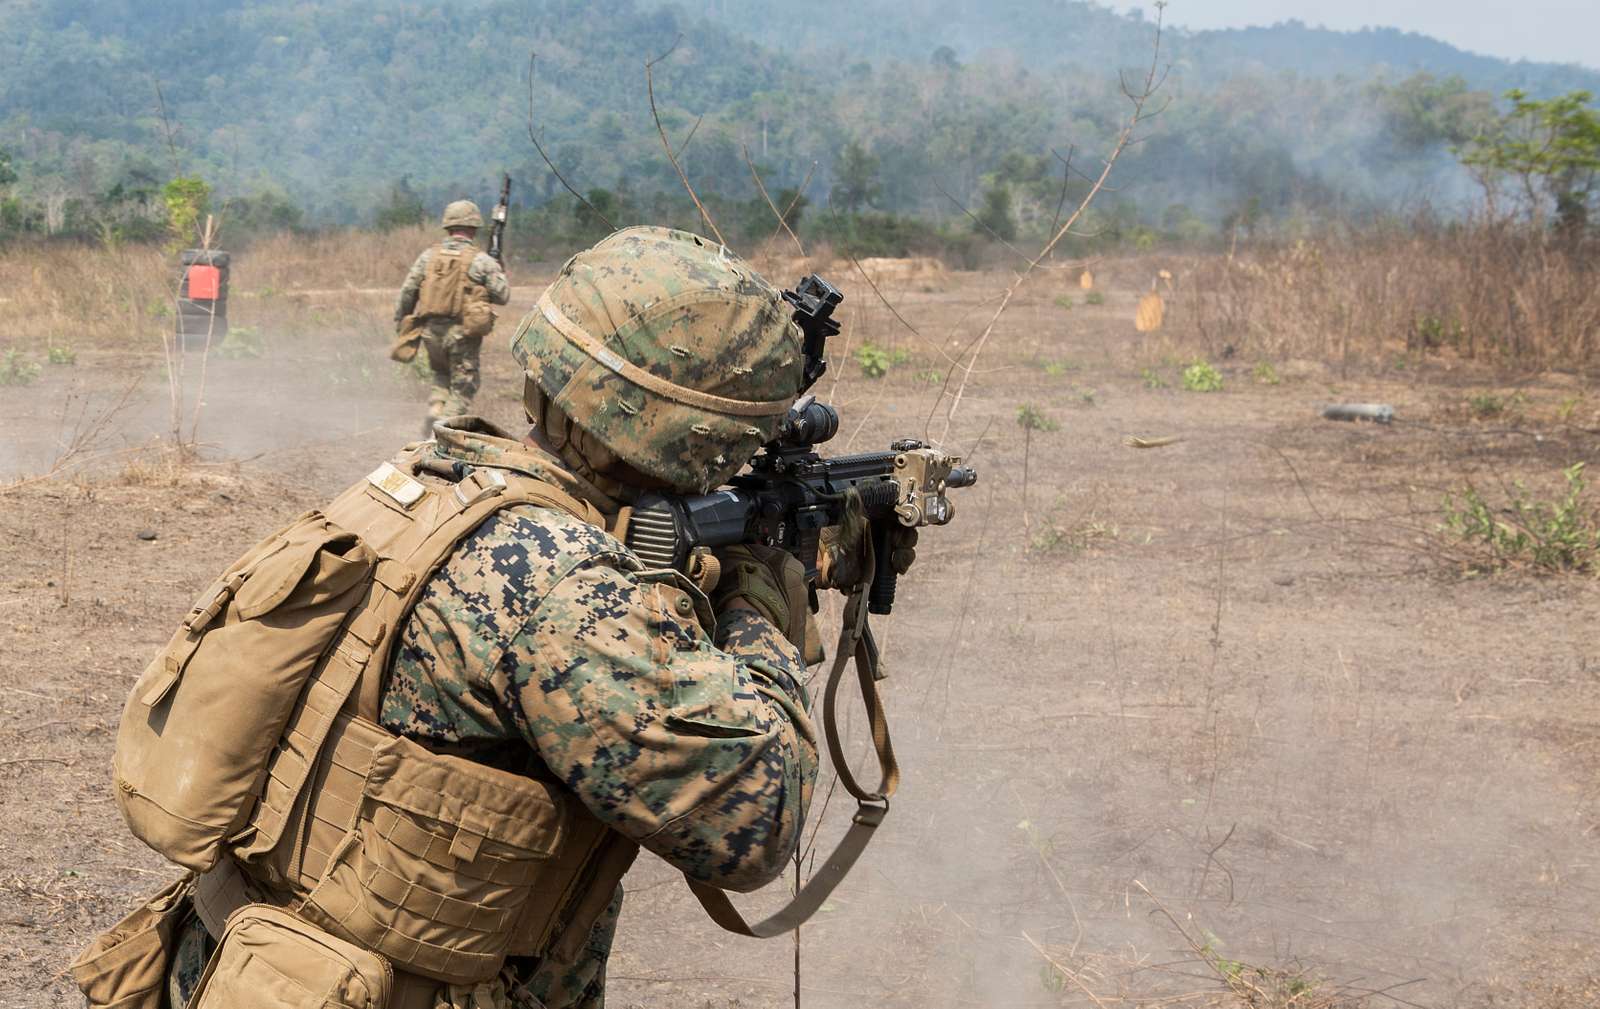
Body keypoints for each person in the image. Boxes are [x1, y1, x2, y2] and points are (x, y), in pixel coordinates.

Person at [99, 226, 820, 1009]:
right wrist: (759, 610)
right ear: (695, 434)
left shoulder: (432, 481)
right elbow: (755, 820)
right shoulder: (567, 587)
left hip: (248, 965)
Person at [394, 199, 511, 429]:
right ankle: (439, 430)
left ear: (448, 227)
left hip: (430, 332)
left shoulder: (428, 257)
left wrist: (402, 322)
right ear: (474, 228)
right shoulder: (481, 261)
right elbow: (502, 295)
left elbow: (407, 291)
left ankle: (436, 408)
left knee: (441, 375)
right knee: (463, 388)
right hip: (461, 335)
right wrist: (498, 267)